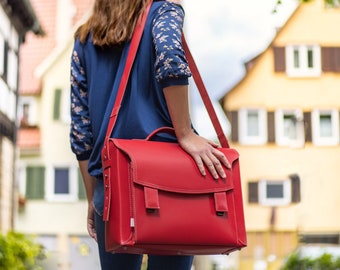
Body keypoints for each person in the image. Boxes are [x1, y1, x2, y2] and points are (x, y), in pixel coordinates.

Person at [70, 0, 231, 269]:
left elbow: (80, 131)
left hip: (111, 184)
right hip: (170, 180)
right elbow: (170, 56)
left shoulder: (85, 37)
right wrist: (185, 134)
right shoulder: (164, 11)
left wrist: (93, 196)